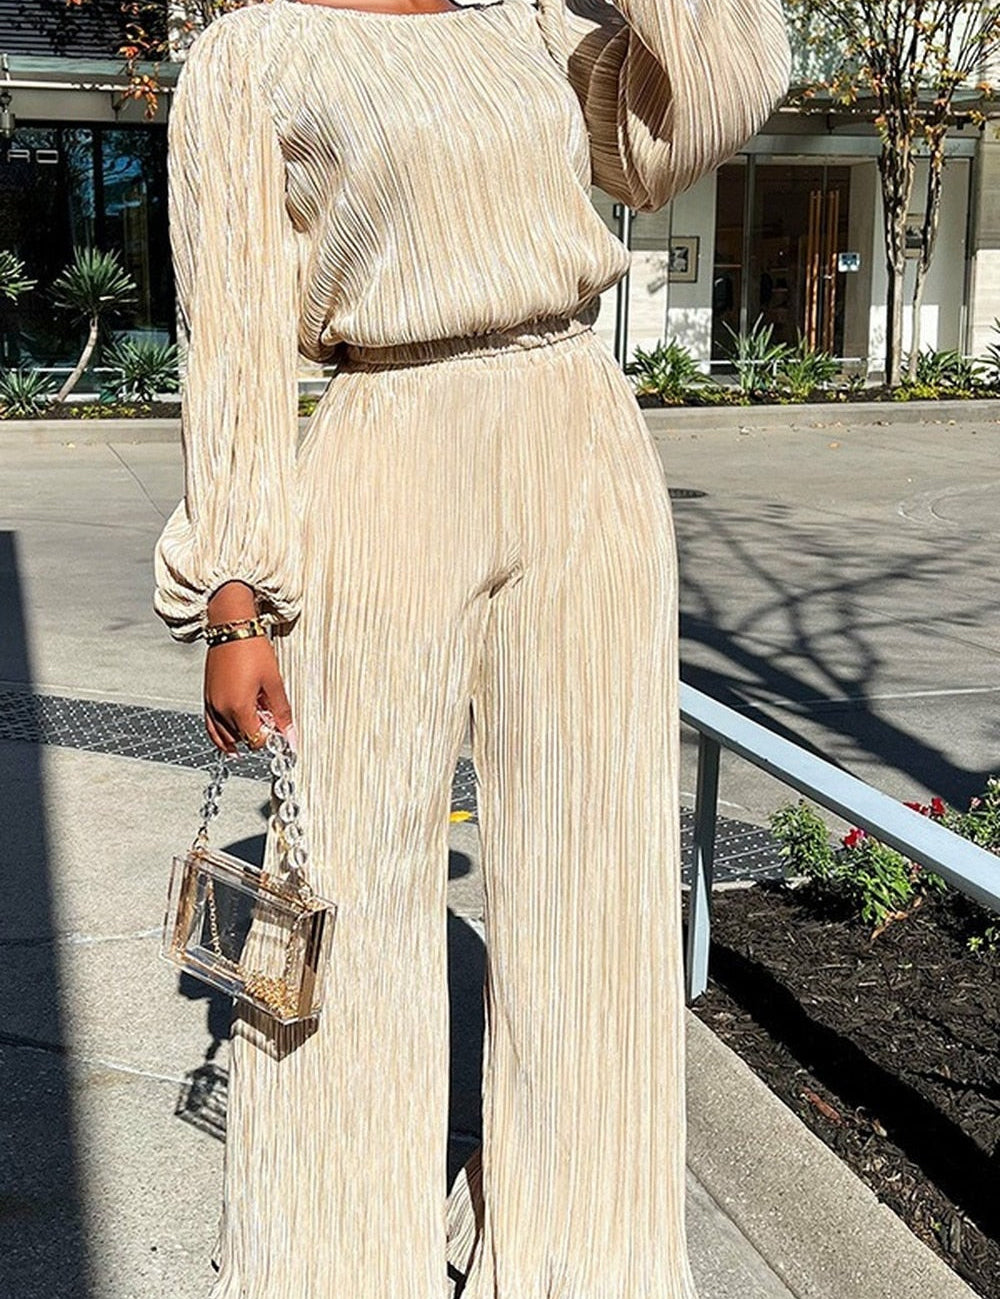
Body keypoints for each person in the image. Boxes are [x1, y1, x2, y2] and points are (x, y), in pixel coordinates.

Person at [151, 0, 790, 1295]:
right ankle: (329, 1266)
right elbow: (227, 342)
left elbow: (728, 84)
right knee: (354, 883)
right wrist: (234, 593)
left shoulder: (537, 29)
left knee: (594, 888)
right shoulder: (253, 56)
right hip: (389, 446)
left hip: (583, 442)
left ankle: (586, 1264)